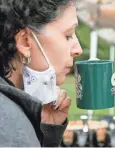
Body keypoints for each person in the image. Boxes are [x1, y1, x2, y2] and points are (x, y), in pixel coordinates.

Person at [0, 0, 82, 147]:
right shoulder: (8, 125)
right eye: (68, 35)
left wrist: (48, 133)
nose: (78, 50)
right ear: (25, 42)